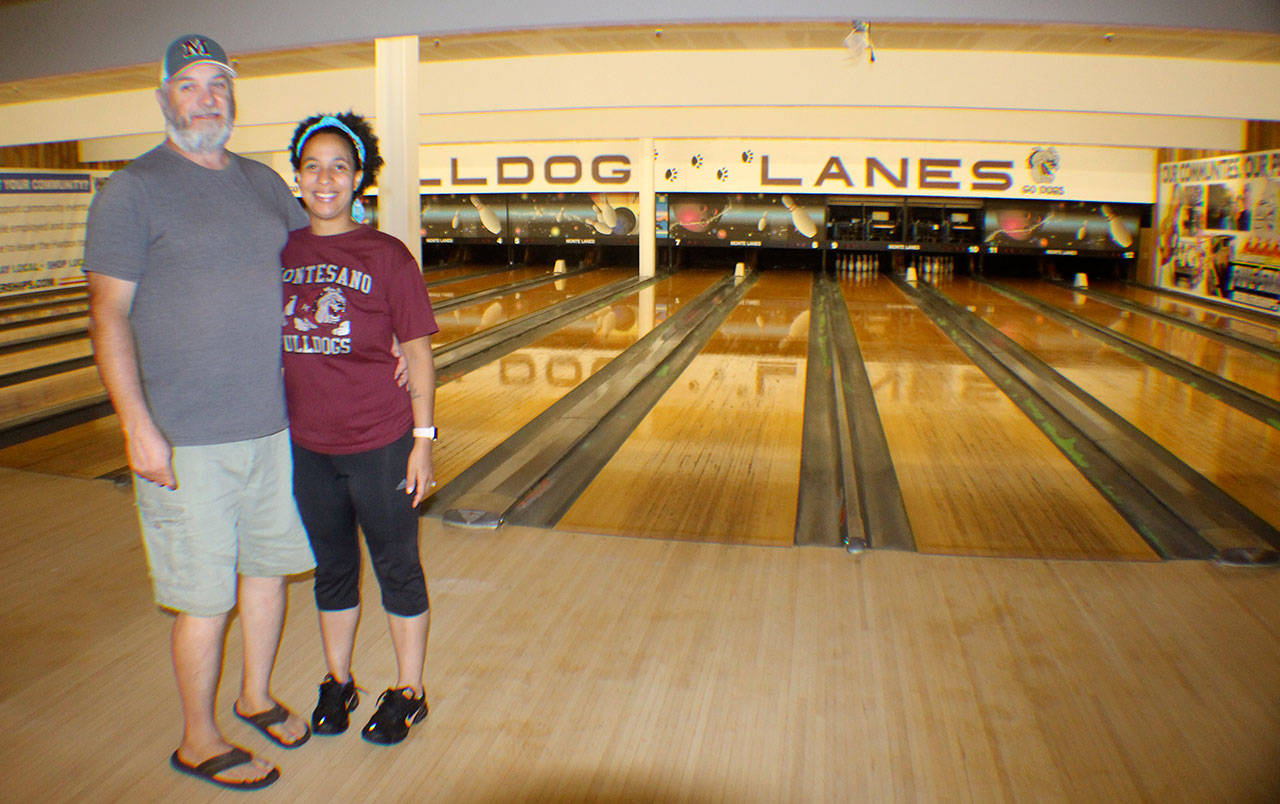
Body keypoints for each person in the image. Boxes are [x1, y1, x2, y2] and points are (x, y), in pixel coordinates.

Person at [84, 35, 315, 790]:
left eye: (219, 83)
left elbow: (315, 267)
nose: (207, 97)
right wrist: (136, 425)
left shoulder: (260, 182)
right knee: (204, 597)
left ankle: (253, 695)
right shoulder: (133, 191)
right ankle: (197, 736)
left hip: (275, 428)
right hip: (187, 438)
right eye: (189, 85)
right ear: (163, 98)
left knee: (268, 572)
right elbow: (107, 316)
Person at [281, 112, 439, 746]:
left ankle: (409, 691)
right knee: (332, 568)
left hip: (381, 442)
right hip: (307, 447)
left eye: (338, 167)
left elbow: (420, 351)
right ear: (297, 176)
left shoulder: (387, 255)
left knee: (397, 566)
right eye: (313, 166)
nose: (325, 178)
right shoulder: (283, 251)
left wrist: (423, 441)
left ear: (359, 180)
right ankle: (338, 680)